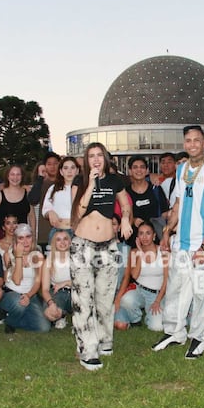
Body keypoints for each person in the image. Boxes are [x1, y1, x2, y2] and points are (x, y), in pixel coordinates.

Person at [152, 125, 204, 360]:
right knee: (176, 290)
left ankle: (201, 337)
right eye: (188, 140)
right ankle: (175, 332)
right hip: (181, 244)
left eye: (197, 140)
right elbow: (178, 205)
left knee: (202, 294)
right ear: (185, 144)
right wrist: (167, 230)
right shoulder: (182, 170)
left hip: (202, 246)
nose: (192, 144)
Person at [70, 142, 133, 371]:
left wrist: (125, 219)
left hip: (108, 246)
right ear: (86, 161)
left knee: (105, 298)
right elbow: (77, 212)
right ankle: (88, 348)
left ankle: (105, 339)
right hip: (83, 246)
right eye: (91, 156)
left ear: (105, 158)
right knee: (83, 299)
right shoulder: (80, 181)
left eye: (99, 155)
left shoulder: (115, 180)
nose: (96, 159)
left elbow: (125, 204)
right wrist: (91, 184)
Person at [113, 222, 167, 331]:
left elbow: (166, 280)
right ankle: (135, 319)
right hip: (139, 290)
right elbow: (134, 275)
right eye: (141, 233)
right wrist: (140, 253)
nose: (145, 237)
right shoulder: (134, 252)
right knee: (126, 300)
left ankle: (149, 316)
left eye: (148, 233)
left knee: (157, 327)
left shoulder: (163, 252)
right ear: (137, 237)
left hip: (156, 294)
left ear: (154, 235)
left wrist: (157, 301)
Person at [0, 223, 50, 333]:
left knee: (44, 328)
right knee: (19, 303)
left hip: (30, 295)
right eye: (21, 238)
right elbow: (17, 281)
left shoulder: (38, 256)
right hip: (12, 294)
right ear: (15, 240)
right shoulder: (8, 255)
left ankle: (15, 317)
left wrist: (28, 295)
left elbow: (37, 282)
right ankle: (11, 321)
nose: (25, 241)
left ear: (32, 238)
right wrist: (18, 256)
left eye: (28, 237)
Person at [124, 155, 169, 247]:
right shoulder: (125, 193)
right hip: (133, 242)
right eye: (135, 167)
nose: (139, 170)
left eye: (142, 167)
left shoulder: (155, 189)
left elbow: (165, 214)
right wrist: (133, 220)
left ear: (147, 170)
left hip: (155, 241)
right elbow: (122, 215)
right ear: (130, 171)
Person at [40, 229, 74, 329]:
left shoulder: (77, 258)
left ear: (70, 241)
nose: (62, 242)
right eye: (58, 240)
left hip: (77, 292)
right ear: (54, 243)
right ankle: (61, 315)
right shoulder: (49, 261)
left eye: (65, 239)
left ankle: (78, 317)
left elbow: (83, 283)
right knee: (49, 313)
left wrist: (65, 283)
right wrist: (51, 303)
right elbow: (45, 290)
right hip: (58, 293)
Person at [41, 156, 78, 244]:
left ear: (77, 171)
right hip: (58, 233)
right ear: (61, 171)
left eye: (72, 168)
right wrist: (50, 213)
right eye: (65, 168)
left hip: (78, 233)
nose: (69, 171)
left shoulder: (84, 189)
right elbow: (45, 210)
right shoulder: (53, 189)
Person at [29, 152, 61, 250]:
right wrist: (40, 177)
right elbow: (32, 200)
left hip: (64, 233)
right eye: (49, 164)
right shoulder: (40, 184)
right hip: (44, 235)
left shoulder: (66, 183)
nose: (52, 167)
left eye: (55, 163)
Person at [0, 165, 35, 239]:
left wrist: (33, 236)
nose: (15, 177)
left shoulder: (27, 193)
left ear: (22, 176)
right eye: (12, 174)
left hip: (23, 238)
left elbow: (32, 216)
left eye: (18, 174)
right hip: (4, 238)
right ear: (7, 176)